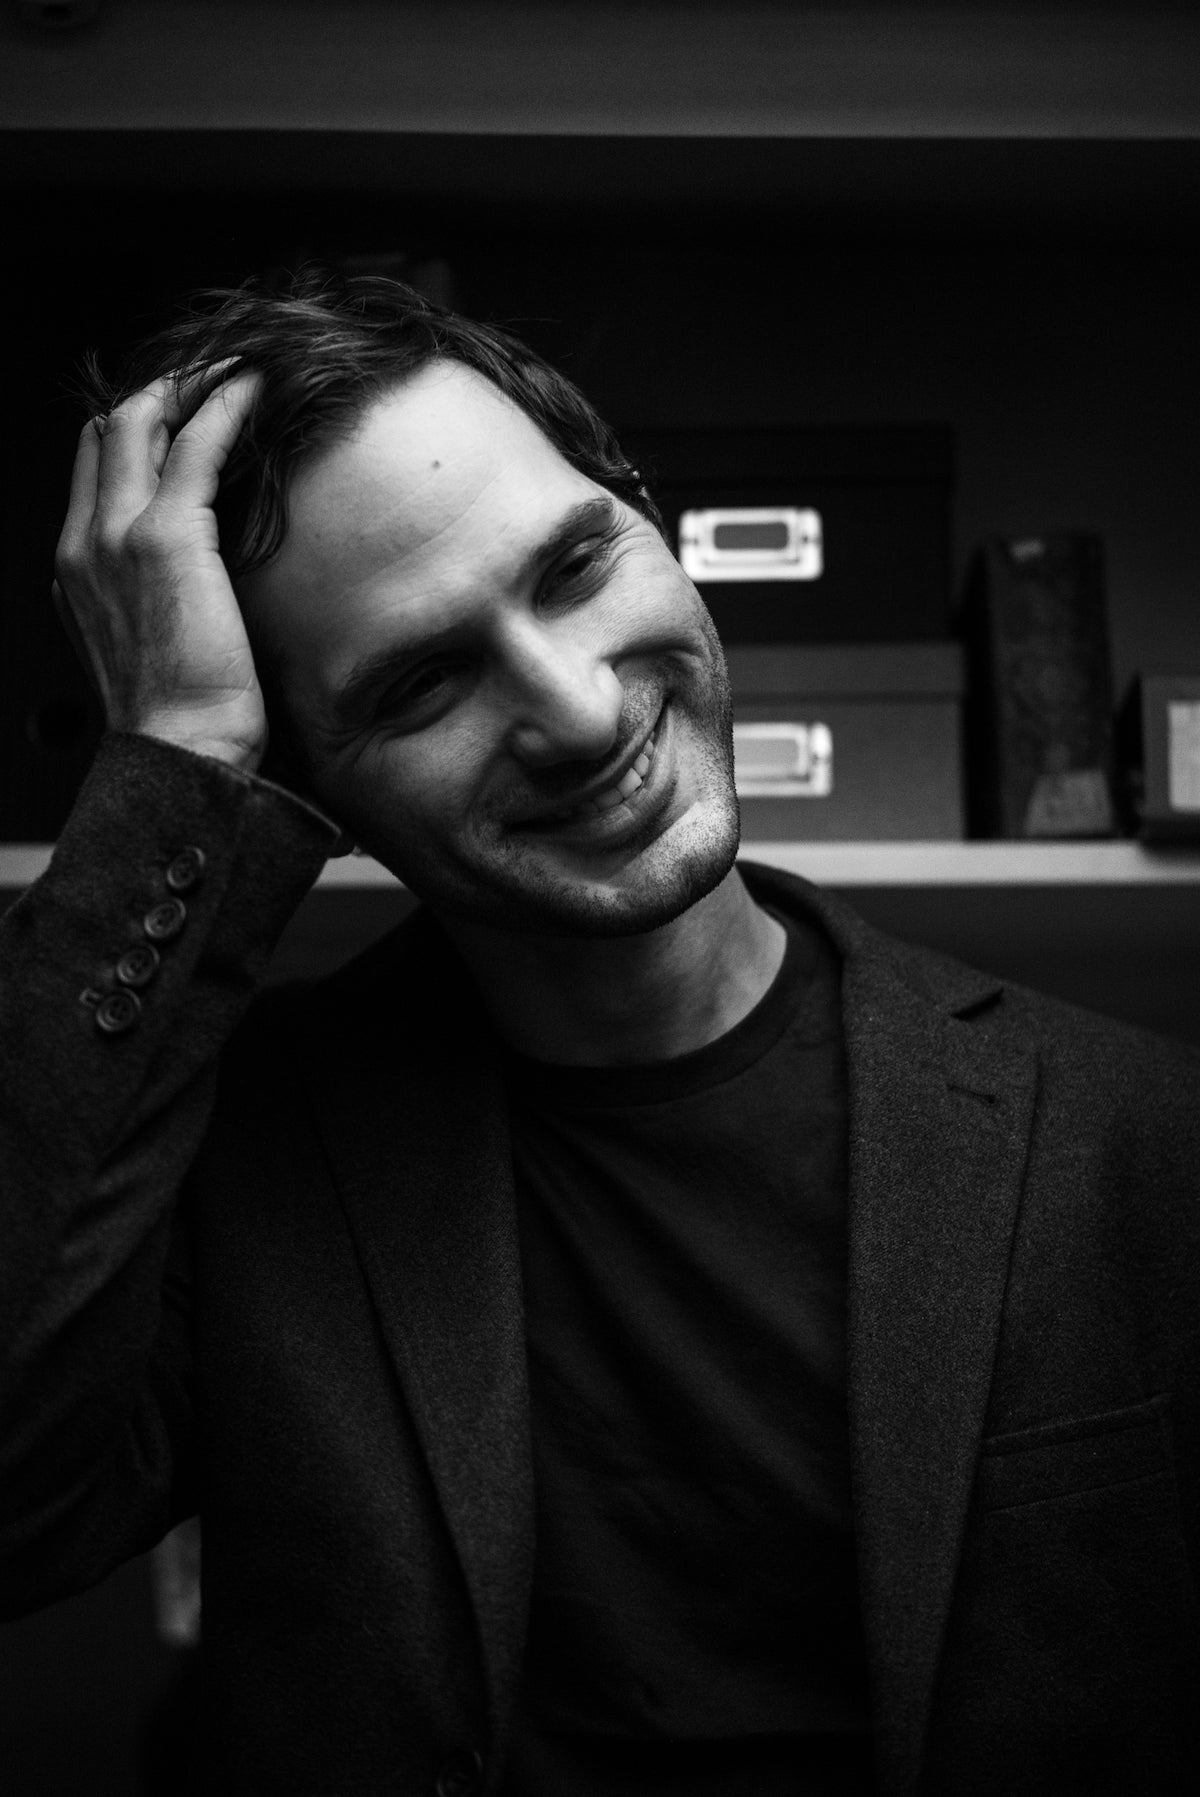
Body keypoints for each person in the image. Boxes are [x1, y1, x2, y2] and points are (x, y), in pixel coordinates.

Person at [1, 269, 1198, 1797]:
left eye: (574, 563)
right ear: (308, 788)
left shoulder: (1141, 1137)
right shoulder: (234, 1165)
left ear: (650, 516)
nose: (574, 707)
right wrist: (170, 759)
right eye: (423, 680)